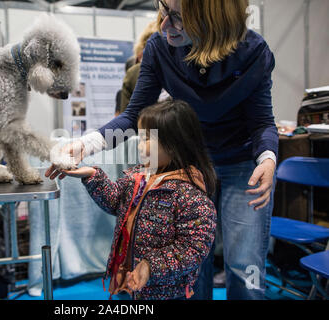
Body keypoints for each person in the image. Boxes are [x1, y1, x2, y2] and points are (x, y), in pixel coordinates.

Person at [47, 0, 278, 300]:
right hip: (189, 170)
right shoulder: (160, 48)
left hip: (241, 167)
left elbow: (262, 122)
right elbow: (132, 116)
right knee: (193, 268)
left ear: (213, 20)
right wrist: (86, 145)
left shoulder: (254, 53)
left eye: (178, 18)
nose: (164, 25)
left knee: (244, 266)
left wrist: (268, 158)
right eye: (163, 9)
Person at [61, 100, 216, 300]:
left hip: (165, 293)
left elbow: (193, 248)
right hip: (127, 282)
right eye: (140, 138)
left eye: (146, 139)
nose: (140, 146)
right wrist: (91, 175)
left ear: (175, 142)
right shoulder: (138, 176)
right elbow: (116, 202)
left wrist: (151, 266)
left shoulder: (190, 195)